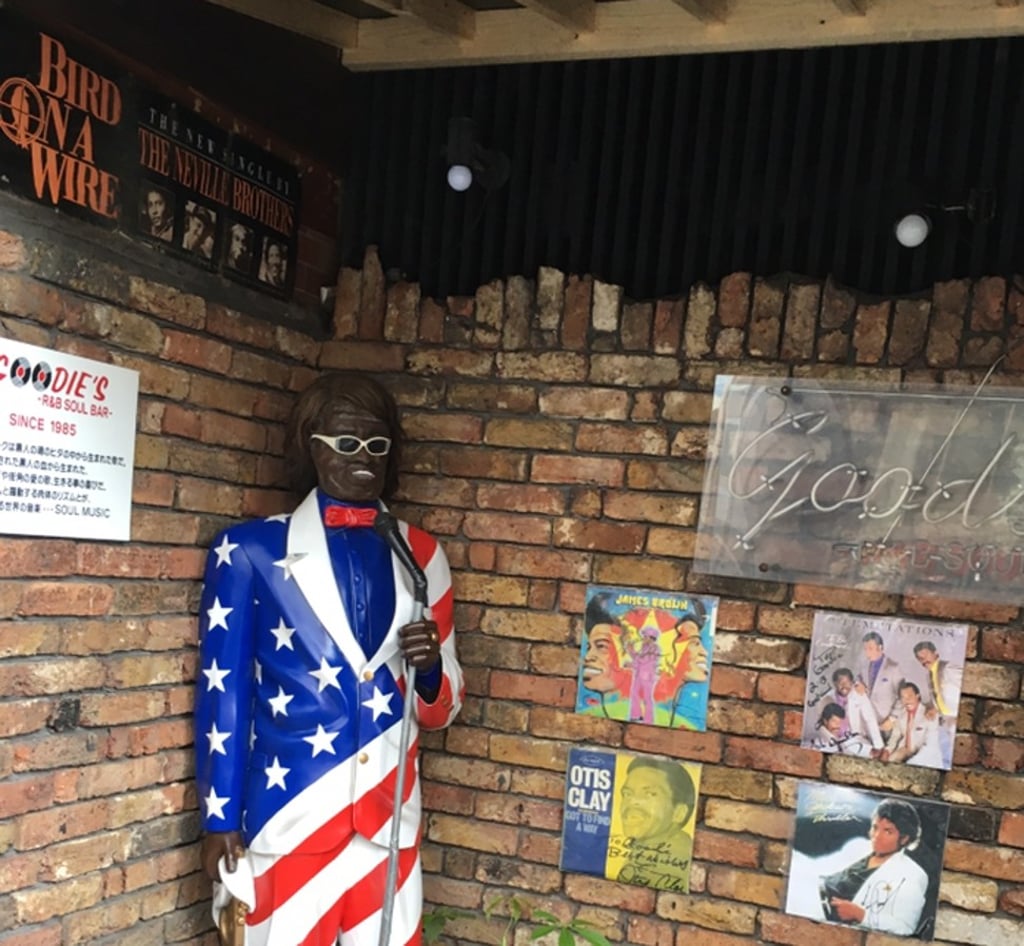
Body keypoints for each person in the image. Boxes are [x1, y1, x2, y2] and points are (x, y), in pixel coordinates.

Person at [194, 371, 464, 946]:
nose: (363, 457)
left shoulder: (423, 556)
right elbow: (225, 691)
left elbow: (442, 710)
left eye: (377, 444)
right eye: (346, 442)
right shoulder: (249, 552)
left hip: (388, 821)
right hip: (288, 812)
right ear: (309, 445)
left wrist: (434, 669)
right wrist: (218, 817)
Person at [818, 798, 929, 935]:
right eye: (875, 827)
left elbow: (905, 928)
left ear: (904, 838)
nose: (876, 836)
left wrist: (861, 915)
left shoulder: (913, 874)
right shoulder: (858, 846)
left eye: (888, 831)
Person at [612, 756, 696, 892]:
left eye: (650, 794)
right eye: (627, 794)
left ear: (679, 812)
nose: (632, 802)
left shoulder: (676, 860)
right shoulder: (643, 849)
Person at [811, 668, 884, 757]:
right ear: (835, 683)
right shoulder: (827, 698)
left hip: (855, 738)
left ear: (852, 683)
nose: (844, 686)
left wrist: (878, 745)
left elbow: (870, 719)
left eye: (847, 682)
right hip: (834, 739)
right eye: (840, 682)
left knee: (868, 754)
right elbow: (821, 723)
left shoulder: (859, 694)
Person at [913, 640, 962, 767]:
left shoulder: (948, 668)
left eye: (926, 655)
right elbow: (938, 697)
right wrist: (935, 709)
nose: (924, 660)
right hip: (946, 720)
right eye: (920, 658)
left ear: (935, 653)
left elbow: (969, 686)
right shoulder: (928, 675)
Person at [882, 680, 943, 768]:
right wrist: (887, 751)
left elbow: (929, 745)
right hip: (904, 750)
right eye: (903, 697)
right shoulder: (901, 714)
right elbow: (895, 736)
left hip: (925, 756)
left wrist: (910, 763)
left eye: (910, 696)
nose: (906, 700)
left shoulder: (929, 713)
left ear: (918, 696)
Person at [855, 631, 903, 726]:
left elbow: (902, 696)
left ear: (880, 647)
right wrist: (857, 684)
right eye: (865, 649)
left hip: (885, 722)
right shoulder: (864, 665)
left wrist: (892, 719)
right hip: (865, 719)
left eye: (870, 648)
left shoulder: (893, 667)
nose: (867, 652)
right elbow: (857, 679)